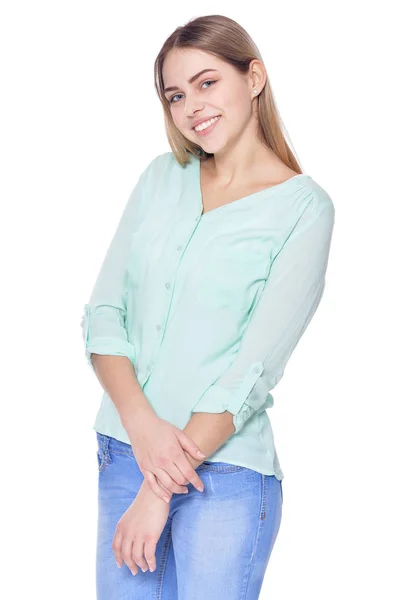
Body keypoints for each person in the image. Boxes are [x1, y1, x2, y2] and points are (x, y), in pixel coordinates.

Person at [81, 14, 335, 600]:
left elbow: (251, 372)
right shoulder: (160, 177)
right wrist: (143, 433)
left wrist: (160, 487)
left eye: (206, 82)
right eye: (175, 94)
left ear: (254, 78)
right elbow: (103, 317)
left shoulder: (304, 209)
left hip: (225, 474)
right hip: (124, 452)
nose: (191, 106)